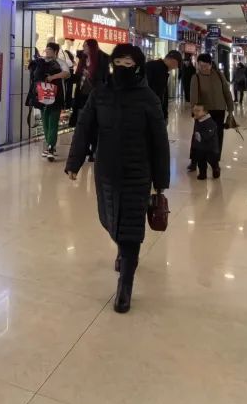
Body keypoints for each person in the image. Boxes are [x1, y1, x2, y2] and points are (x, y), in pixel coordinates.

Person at [65, 44, 169, 314]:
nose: (123, 68)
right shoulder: (100, 93)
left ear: (138, 67)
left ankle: (125, 285)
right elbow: (85, 128)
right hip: (107, 171)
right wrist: (74, 162)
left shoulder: (148, 98)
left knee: (131, 227)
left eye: (128, 64)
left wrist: (161, 181)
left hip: (137, 172)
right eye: (118, 63)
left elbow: (160, 141)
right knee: (109, 218)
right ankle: (122, 250)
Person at [189, 54, 235, 166]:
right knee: (199, 136)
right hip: (203, 112)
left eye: (205, 66)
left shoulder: (219, 75)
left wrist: (230, 109)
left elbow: (226, 92)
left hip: (219, 110)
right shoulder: (196, 77)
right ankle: (194, 160)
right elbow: (193, 97)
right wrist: (195, 112)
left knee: (217, 136)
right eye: (200, 65)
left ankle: (215, 160)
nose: (202, 68)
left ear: (210, 65)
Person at [29, 42, 71, 161]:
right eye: (46, 49)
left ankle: (51, 147)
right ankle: (49, 146)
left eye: (49, 50)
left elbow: (66, 74)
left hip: (56, 96)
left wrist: (52, 77)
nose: (47, 51)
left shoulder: (61, 62)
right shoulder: (41, 62)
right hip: (42, 96)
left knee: (53, 121)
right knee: (45, 122)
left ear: (55, 52)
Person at [144, 50, 182, 121]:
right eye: (176, 65)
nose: (174, 68)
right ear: (173, 61)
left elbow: (164, 94)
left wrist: (165, 114)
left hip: (156, 109)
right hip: (149, 110)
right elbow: (147, 89)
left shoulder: (163, 70)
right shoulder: (152, 67)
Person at [189, 103, 221, 180]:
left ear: (205, 112)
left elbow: (209, 134)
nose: (195, 112)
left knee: (212, 160)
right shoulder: (197, 120)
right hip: (200, 147)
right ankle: (202, 174)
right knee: (201, 161)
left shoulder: (210, 122)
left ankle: (215, 168)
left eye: (198, 111)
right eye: (194, 110)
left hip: (210, 148)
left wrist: (201, 136)